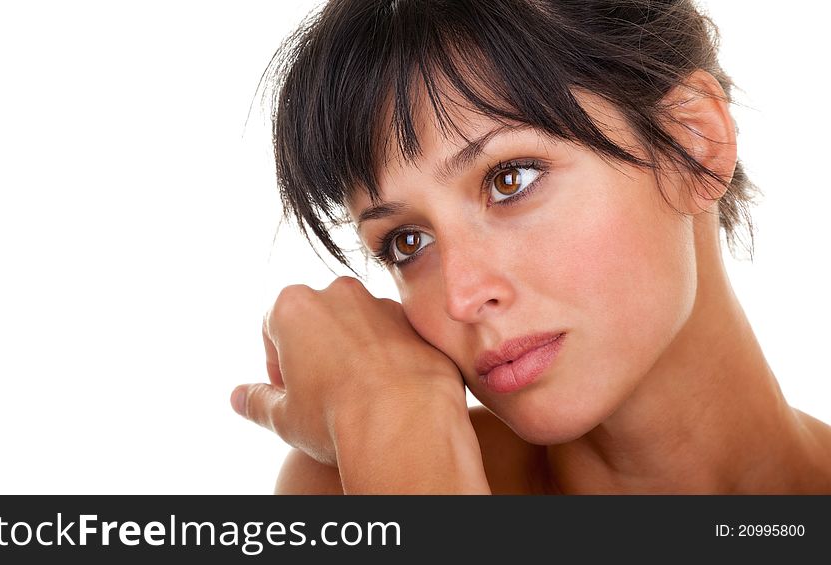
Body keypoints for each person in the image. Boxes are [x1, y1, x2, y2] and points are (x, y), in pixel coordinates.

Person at [229, 0, 831, 493]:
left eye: (509, 179)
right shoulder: (361, 474)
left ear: (694, 143)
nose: (463, 296)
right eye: (407, 242)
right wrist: (393, 415)